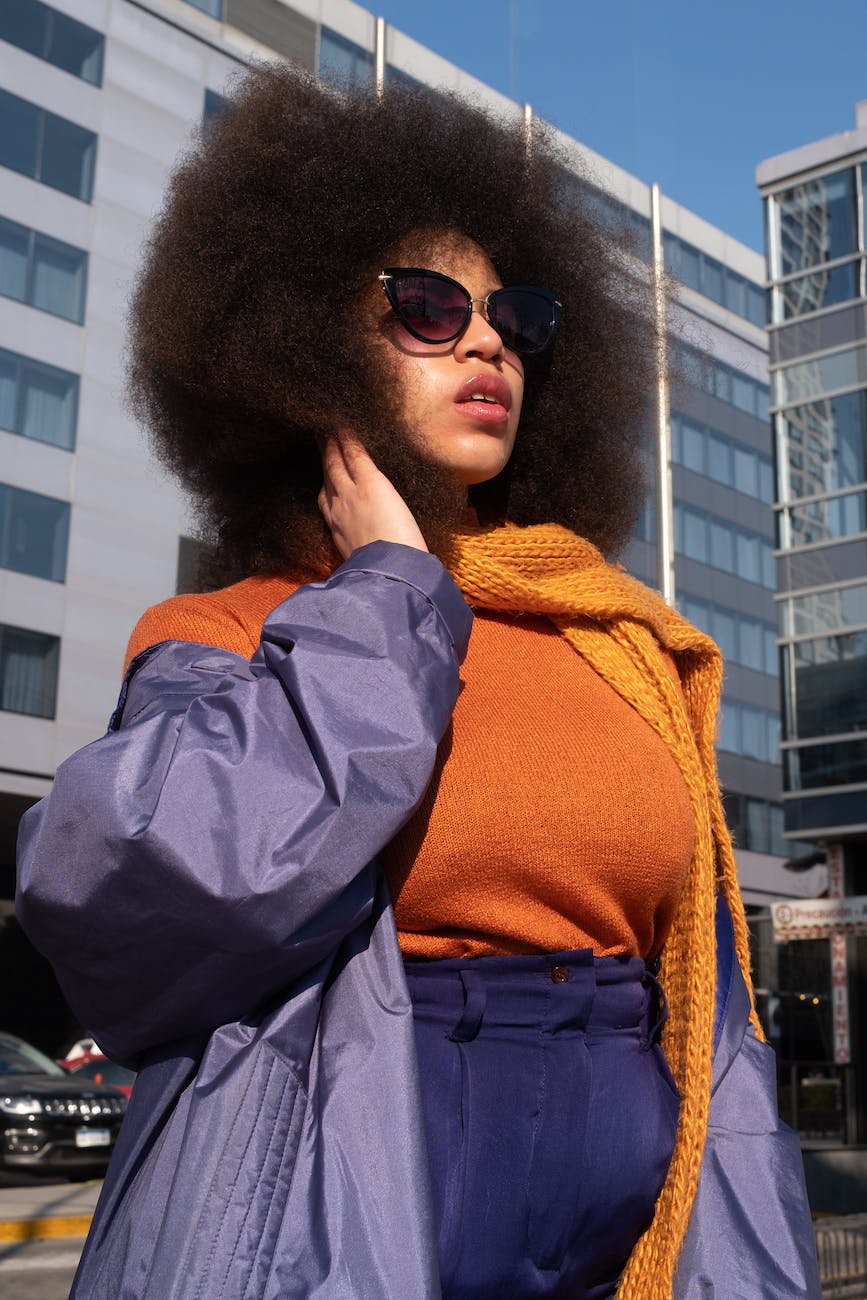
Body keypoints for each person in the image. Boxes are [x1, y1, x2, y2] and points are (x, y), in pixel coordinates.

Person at [16, 66, 819, 1299]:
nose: (489, 336)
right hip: (341, 1224)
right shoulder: (232, 629)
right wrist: (389, 583)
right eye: (430, 306)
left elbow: (711, 1026)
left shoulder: (621, 644)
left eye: (515, 316)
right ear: (305, 343)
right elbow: (128, 904)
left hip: (627, 1247)